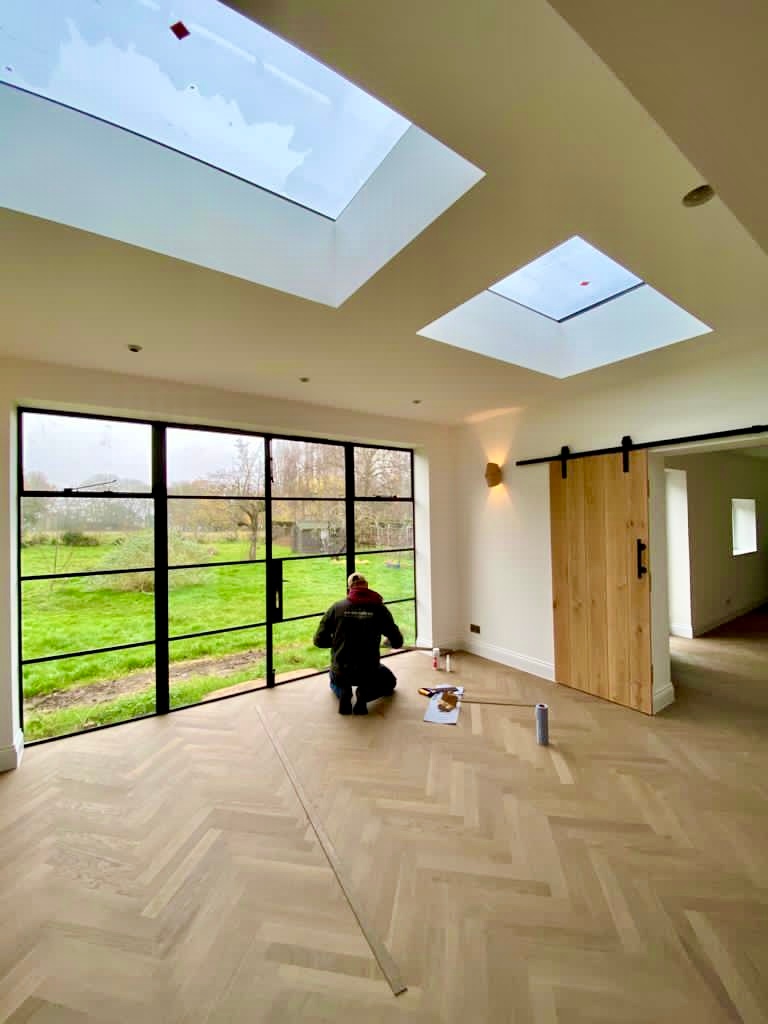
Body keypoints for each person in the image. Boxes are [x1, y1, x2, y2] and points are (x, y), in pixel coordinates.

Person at [314, 572, 404, 715]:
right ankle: (364, 695)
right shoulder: (379, 609)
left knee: (333, 677)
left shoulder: (337, 608)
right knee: (390, 682)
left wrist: (338, 643)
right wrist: (389, 641)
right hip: (369, 670)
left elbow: (318, 640)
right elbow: (398, 642)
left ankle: (344, 693)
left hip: (341, 669)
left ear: (349, 588)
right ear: (367, 586)